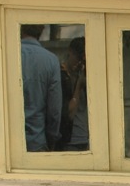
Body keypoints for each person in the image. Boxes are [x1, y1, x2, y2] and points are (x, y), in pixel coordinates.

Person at [20, 24, 63, 152]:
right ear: (42, 30)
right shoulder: (51, 60)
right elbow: (54, 109)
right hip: (37, 140)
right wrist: (52, 137)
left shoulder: (6, 55)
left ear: (21, 29)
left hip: (8, 140)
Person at [63, 37, 89, 152]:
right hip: (70, 140)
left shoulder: (84, 74)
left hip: (85, 138)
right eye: (77, 58)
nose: (79, 63)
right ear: (70, 52)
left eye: (82, 60)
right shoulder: (62, 76)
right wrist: (79, 85)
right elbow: (69, 113)